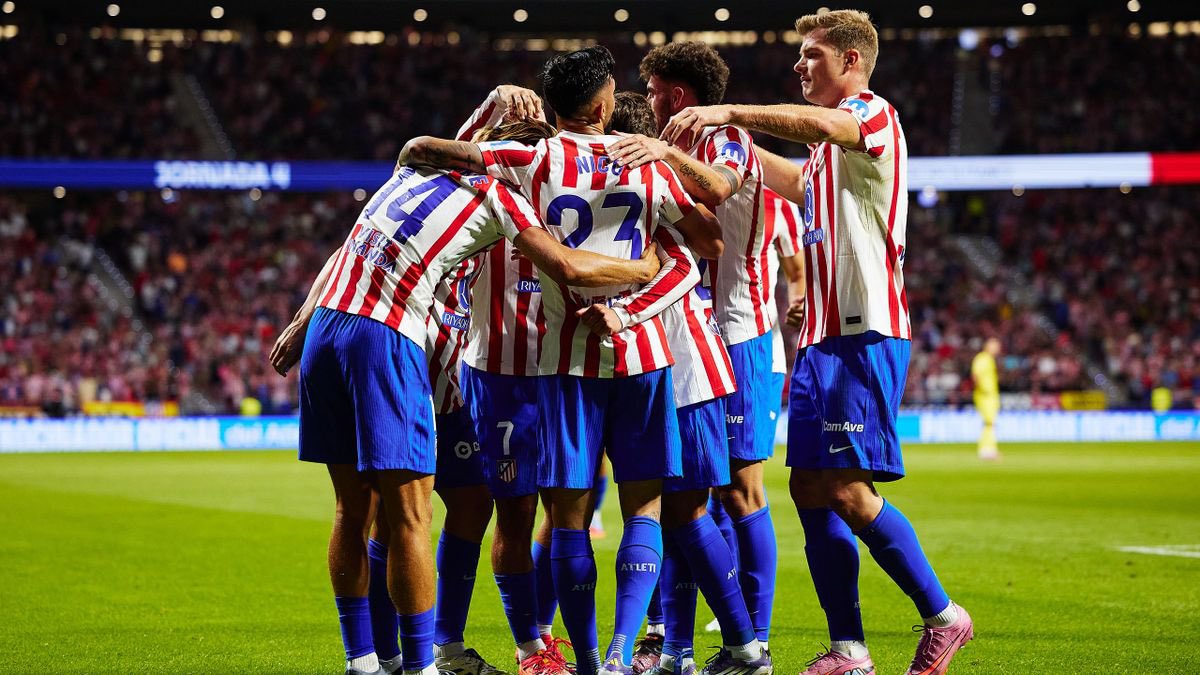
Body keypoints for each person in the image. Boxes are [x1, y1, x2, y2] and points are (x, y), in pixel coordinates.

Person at [269, 127, 668, 675]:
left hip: (328, 327)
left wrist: (304, 316)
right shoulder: (501, 195)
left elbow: (394, 178)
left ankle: (364, 660)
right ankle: (421, 663)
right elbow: (571, 268)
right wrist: (645, 270)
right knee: (411, 513)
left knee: (354, 508)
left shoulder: (415, 170)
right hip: (387, 332)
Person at [657, 10, 974, 675]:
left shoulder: (872, 118)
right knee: (806, 487)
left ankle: (944, 615)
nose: (799, 67)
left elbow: (826, 125)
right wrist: (727, 134)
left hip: (866, 331)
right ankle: (850, 649)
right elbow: (797, 179)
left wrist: (727, 111)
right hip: (823, 339)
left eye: (811, 56)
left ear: (851, 61)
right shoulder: (830, 155)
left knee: (851, 492)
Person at [399, 46, 720, 675]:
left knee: (559, 510)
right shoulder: (497, 187)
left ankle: (546, 641)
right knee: (514, 512)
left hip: (558, 362)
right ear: (603, 104)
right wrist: (644, 268)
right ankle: (525, 646)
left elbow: (430, 150)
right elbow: (701, 238)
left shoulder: (523, 169)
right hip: (509, 367)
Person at [611, 42, 810, 672]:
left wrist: (664, 152)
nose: (647, 101)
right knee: (684, 494)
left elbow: (722, 190)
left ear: (676, 93)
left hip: (741, 335)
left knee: (741, 493)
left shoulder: (725, 141)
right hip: (693, 338)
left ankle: (754, 638)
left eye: (652, 89)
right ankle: (677, 641)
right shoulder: (684, 150)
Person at [972, 337, 1002, 460]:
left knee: (990, 423)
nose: (998, 349)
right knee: (989, 423)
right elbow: (975, 375)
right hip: (985, 395)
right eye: (996, 345)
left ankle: (989, 448)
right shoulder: (982, 358)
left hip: (990, 395)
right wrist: (982, 389)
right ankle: (986, 450)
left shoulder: (989, 359)